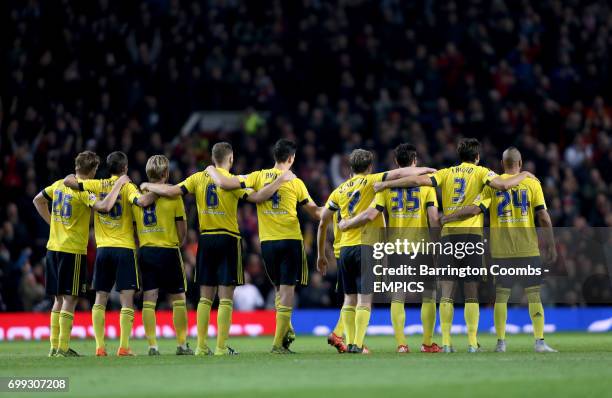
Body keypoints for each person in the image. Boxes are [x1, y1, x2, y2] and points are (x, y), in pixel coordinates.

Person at [373, 138, 535, 353]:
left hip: (441, 238)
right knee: (467, 292)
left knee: (440, 292)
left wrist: (386, 184)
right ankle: (469, 342)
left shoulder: (446, 173)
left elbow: (415, 182)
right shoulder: (482, 173)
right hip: (469, 237)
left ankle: (444, 343)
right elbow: (504, 185)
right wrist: (525, 174)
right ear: (477, 157)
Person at [142, 142, 295, 355]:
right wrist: (280, 180)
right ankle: (221, 347)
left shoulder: (197, 178)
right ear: (230, 159)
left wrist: (147, 186)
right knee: (225, 297)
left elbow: (172, 191)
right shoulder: (233, 182)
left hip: (206, 240)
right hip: (228, 239)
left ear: (213, 158)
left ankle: (200, 346)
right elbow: (259, 197)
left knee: (205, 297)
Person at [317, 148, 435, 354]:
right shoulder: (377, 183)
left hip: (350, 248)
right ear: (370, 167)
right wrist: (429, 170)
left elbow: (322, 220)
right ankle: (423, 343)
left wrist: (322, 252)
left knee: (353, 298)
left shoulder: (342, 190)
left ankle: (398, 344)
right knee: (425, 296)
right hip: (387, 246)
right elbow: (374, 212)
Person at [440, 147, 558, 353]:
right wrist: (551, 244)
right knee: (534, 296)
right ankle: (539, 341)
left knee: (501, 297)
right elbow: (544, 217)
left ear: (503, 164)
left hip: (501, 252)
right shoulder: (532, 183)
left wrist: (448, 217)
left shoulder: (491, 186)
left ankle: (501, 342)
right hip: (528, 249)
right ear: (520, 164)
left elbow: (474, 209)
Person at [209, 139, 320, 354]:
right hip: (290, 240)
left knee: (279, 289)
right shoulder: (295, 182)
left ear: (274, 156)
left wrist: (211, 170)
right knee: (287, 290)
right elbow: (315, 212)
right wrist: (334, 210)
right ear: (291, 158)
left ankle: (285, 330)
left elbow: (226, 183)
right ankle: (279, 343)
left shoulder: (258, 176)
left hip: (267, 243)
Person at [33, 151, 128, 357]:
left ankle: (54, 346)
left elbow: (38, 200)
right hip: (72, 250)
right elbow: (103, 207)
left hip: (53, 248)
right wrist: (119, 184)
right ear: (93, 170)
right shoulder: (83, 191)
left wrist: (53, 224)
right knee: (70, 298)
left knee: (58, 299)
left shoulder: (59, 184)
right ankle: (64, 347)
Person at [64, 151, 156, 356]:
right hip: (124, 248)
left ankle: (100, 347)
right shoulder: (127, 186)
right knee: (127, 299)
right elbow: (141, 202)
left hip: (103, 249)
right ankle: (123, 347)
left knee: (100, 297)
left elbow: (71, 182)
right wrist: (156, 190)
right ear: (124, 168)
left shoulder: (97, 184)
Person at [132, 155, 192, 355]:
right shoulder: (173, 196)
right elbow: (182, 229)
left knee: (149, 299)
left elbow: (132, 227)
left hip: (147, 250)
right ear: (166, 173)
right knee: (178, 299)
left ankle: (152, 346)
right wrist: (178, 243)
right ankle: (182, 345)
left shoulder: (137, 195)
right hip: (169, 250)